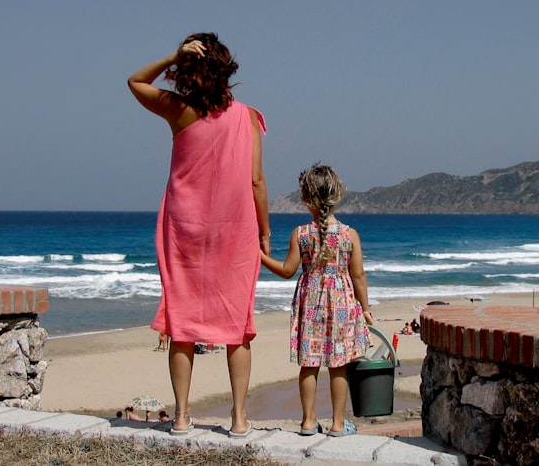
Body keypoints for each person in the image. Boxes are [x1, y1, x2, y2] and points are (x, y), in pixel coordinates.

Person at [128, 33, 270, 438]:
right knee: (237, 326)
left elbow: (135, 82)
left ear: (187, 71)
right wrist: (265, 232)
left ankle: (181, 417)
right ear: (226, 69)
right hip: (235, 231)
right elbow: (256, 182)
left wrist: (172, 55)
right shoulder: (247, 117)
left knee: (183, 323)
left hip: (183, 231)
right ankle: (239, 419)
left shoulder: (178, 110)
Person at [260, 163, 373, 437]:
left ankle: (308, 422)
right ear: (337, 195)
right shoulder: (349, 235)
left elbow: (287, 271)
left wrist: (259, 257)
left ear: (305, 198)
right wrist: (365, 309)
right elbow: (357, 276)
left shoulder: (300, 234)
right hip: (341, 304)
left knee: (309, 364)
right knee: (339, 366)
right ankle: (337, 424)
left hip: (310, 303)